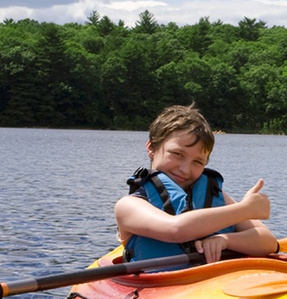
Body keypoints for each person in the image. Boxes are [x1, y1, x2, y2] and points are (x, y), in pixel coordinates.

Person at [116, 103, 278, 264]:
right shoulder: (128, 206)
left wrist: (225, 240)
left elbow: (268, 241)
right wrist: (245, 210)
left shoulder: (217, 196)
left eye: (197, 161)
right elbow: (176, 229)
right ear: (151, 148)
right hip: (159, 285)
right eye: (178, 154)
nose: (185, 169)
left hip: (214, 284)